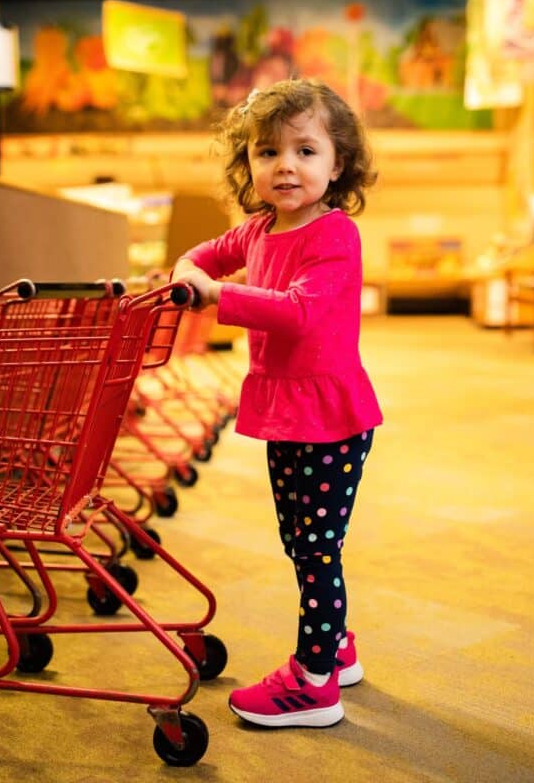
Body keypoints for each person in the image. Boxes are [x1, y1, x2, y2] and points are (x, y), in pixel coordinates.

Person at [172, 78, 382, 729]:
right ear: (249, 166)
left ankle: (315, 679)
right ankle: (337, 648)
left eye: (306, 151)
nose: (285, 166)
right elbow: (208, 252)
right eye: (267, 153)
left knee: (317, 547)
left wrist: (214, 297)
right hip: (289, 412)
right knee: (302, 540)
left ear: (337, 163)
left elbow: (298, 313)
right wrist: (187, 268)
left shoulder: (335, 236)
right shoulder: (261, 228)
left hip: (329, 418)